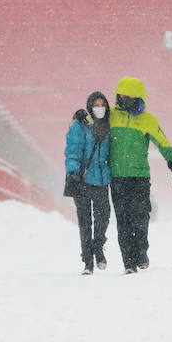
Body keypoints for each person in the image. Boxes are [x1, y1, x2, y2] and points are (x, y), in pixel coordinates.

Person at [107, 76, 172, 274]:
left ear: (138, 98)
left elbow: (163, 142)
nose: (123, 100)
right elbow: (92, 121)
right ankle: (128, 263)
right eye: (121, 96)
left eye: (128, 97)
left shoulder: (148, 120)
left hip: (139, 177)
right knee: (123, 220)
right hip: (117, 177)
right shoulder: (111, 115)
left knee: (141, 217)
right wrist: (82, 116)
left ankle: (141, 251)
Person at [65, 91, 113, 275]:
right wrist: (73, 171)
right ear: (89, 106)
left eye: (102, 104)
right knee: (85, 223)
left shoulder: (108, 126)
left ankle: (98, 248)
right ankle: (88, 261)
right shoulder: (80, 125)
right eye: (96, 104)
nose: (99, 108)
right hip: (82, 180)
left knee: (103, 218)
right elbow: (73, 150)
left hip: (101, 180)